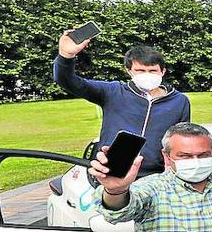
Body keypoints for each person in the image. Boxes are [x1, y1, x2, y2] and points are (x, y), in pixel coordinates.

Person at [54, 31, 191, 174]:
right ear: (129, 71)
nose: (147, 75)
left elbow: (182, 138)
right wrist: (66, 56)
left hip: (156, 175)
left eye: (152, 70)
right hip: (112, 170)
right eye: (140, 70)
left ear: (162, 71)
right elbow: (69, 81)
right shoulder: (113, 92)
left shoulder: (179, 101)